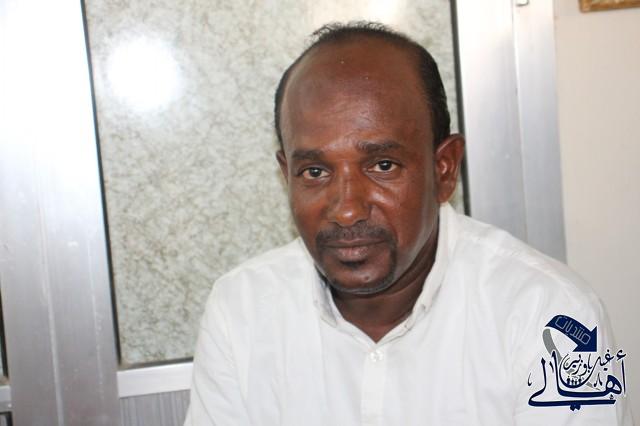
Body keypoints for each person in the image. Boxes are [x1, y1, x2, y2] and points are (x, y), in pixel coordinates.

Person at [184, 22, 632, 425]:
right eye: (315, 172)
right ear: (287, 177)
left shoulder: (552, 316)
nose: (346, 209)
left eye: (382, 165)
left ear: (444, 169)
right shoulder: (242, 310)